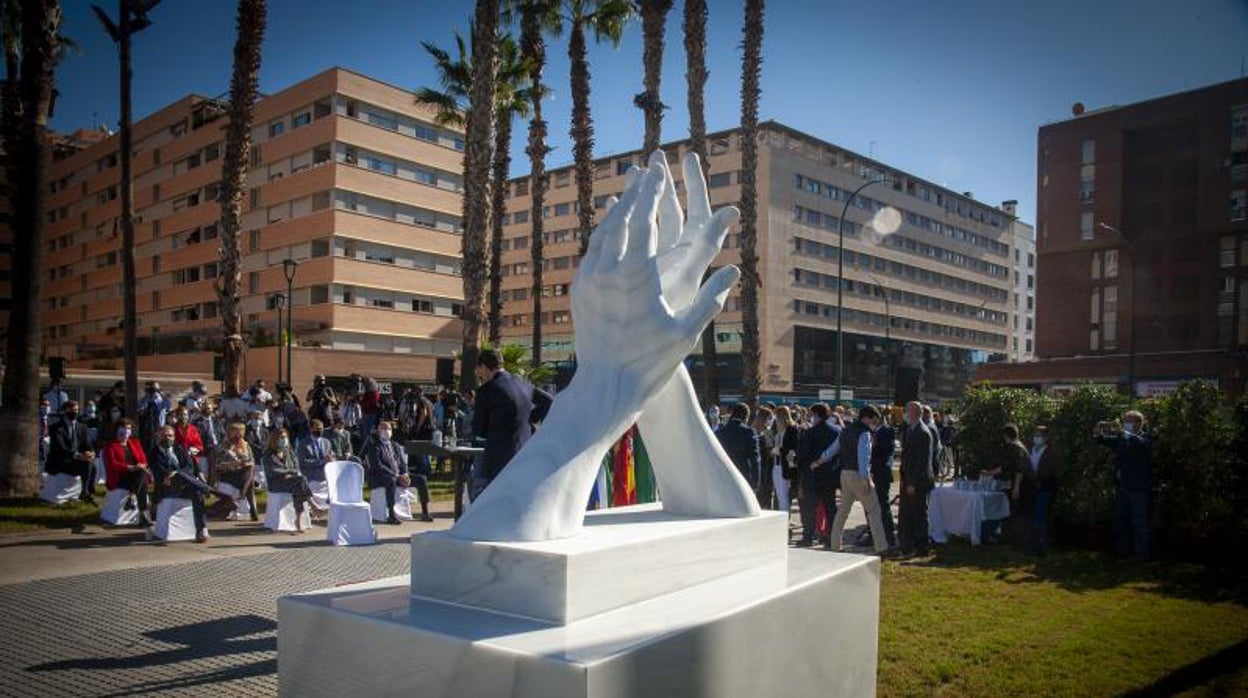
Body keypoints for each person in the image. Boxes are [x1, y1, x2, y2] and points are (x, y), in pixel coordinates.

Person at [468, 349, 553, 501]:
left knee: (490, 499)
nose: (478, 373)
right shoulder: (523, 383)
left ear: (485, 367)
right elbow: (548, 401)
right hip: (525, 450)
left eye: (479, 368)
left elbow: (479, 429)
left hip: (498, 457)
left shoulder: (487, 390)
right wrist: (529, 420)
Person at [827, 406, 890, 554]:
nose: (875, 422)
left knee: (842, 511)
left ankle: (835, 544)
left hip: (845, 473)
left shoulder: (845, 430)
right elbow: (864, 457)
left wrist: (821, 459)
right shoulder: (864, 433)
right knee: (874, 510)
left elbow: (833, 449)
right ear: (867, 417)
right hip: (858, 474)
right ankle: (881, 546)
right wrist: (866, 478)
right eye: (874, 418)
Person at [1095, 411, 1151, 560]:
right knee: (1121, 520)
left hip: (1138, 488)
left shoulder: (1144, 438)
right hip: (1123, 487)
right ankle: (1122, 551)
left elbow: (1139, 444)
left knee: (1139, 522)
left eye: (1129, 421)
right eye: (1125, 421)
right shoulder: (1122, 439)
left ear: (1138, 423)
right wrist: (1099, 428)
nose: (1125, 424)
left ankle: (1141, 553)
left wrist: (1125, 432)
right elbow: (1101, 440)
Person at [149, 424, 218, 542]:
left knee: (195, 491)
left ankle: (201, 530)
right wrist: (175, 474)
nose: (168, 438)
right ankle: (208, 489)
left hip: (184, 485)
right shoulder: (153, 453)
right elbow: (159, 472)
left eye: (170, 436)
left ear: (174, 437)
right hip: (166, 488)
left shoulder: (179, 448)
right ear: (158, 436)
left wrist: (176, 473)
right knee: (178, 475)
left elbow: (190, 468)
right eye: (164, 436)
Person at [795, 403, 839, 548]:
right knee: (830, 508)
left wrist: (800, 463)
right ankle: (831, 536)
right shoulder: (837, 431)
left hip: (812, 476)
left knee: (809, 509)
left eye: (811, 415)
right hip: (830, 475)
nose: (810, 418)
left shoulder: (810, 433)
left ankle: (808, 536)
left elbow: (803, 454)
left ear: (817, 415)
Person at [980, 424, 1028, 545]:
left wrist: (988, 473)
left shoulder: (1013, 447)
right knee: (1010, 509)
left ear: (1006, 436)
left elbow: (1014, 469)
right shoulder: (1020, 445)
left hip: (1021, 484)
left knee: (1002, 507)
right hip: (1024, 483)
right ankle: (1004, 536)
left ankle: (988, 535)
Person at [262, 428, 317, 532]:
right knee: (301, 481)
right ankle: (313, 507)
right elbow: (272, 472)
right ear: (275, 439)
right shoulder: (268, 455)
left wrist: (289, 473)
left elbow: (296, 467)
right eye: (281, 438)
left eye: (285, 437)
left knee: (299, 486)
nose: (284, 439)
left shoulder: (289, 452)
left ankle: (299, 519)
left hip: (291, 481)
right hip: (276, 483)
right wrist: (288, 473)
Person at [898, 401, 935, 557]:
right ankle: (908, 545)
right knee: (907, 513)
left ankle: (921, 546)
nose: (907, 413)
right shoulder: (910, 430)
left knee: (918, 514)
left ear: (917, 413)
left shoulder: (922, 432)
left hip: (918, 481)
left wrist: (912, 482)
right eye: (907, 410)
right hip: (908, 479)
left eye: (910, 411)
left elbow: (922, 461)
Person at [859, 406, 897, 549]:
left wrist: (874, 446)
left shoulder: (886, 431)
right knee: (869, 506)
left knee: (882, 506)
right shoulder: (868, 431)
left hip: (881, 474)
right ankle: (872, 534)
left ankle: (888, 537)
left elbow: (887, 452)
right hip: (870, 473)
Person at [102, 418, 152, 528]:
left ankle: (133, 497)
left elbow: (143, 460)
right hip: (120, 477)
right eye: (123, 428)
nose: (126, 430)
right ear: (116, 430)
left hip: (136, 475)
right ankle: (142, 512)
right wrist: (130, 468)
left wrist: (140, 466)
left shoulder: (135, 443)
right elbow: (112, 465)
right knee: (142, 478)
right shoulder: (110, 446)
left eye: (129, 428)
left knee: (141, 475)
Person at [1022, 426, 1064, 556]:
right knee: (1033, 516)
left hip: (1045, 488)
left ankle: (1042, 545)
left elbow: (1053, 472)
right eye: (1035, 435)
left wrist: (1041, 480)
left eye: (1039, 435)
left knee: (1040, 516)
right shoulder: (1031, 450)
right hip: (1032, 488)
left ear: (1045, 438)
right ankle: (1033, 544)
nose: (1036, 438)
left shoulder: (1051, 453)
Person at [362, 421, 412, 524]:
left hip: (398, 476)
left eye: (389, 429)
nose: (387, 431)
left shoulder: (395, 445)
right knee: (391, 480)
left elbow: (403, 463)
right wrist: (397, 476)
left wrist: (405, 474)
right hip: (379, 477)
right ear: (378, 431)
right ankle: (391, 515)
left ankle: (425, 512)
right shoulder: (374, 446)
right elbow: (378, 466)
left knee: (421, 479)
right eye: (383, 429)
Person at [46, 400, 96, 504]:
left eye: (76, 410)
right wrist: (77, 456)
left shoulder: (82, 426)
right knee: (87, 464)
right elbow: (60, 448)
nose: (74, 412)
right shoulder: (56, 428)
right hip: (60, 461)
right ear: (64, 411)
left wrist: (91, 452)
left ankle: (86, 492)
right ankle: (85, 492)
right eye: (71, 410)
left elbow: (87, 445)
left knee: (91, 465)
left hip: (75, 460)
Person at [212, 423, 259, 522]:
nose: (239, 435)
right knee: (250, 479)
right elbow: (218, 465)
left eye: (241, 432)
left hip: (242, 474)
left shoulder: (245, 445)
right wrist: (234, 463)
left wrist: (244, 460)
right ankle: (251, 506)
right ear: (230, 433)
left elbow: (252, 460)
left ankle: (243, 493)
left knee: (250, 468)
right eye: (236, 432)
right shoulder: (223, 445)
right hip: (227, 474)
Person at [714, 402, 763, 496]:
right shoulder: (749, 432)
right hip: (742, 476)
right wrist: (755, 482)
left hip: (722, 476)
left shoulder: (719, 432)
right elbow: (755, 459)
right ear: (746, 417)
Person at [771, 405, 799, 517]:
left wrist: (779, 450)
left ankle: (785, 520)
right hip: (777, 465)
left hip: (785, 466)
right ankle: (784, 518)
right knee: (780, 495)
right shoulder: (778, 429)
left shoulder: (791, 429)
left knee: (784, 496)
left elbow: (793, 448)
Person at [297, 419, 334, 483]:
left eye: (322, 429)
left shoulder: (327, 442)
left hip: (326, 473)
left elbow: (331, 454)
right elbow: (303, 462)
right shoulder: (303, 444)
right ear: (311, 429)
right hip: (311, 474)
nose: (320, 431)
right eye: (318, 429)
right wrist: (321, 461)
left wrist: (332, 459)